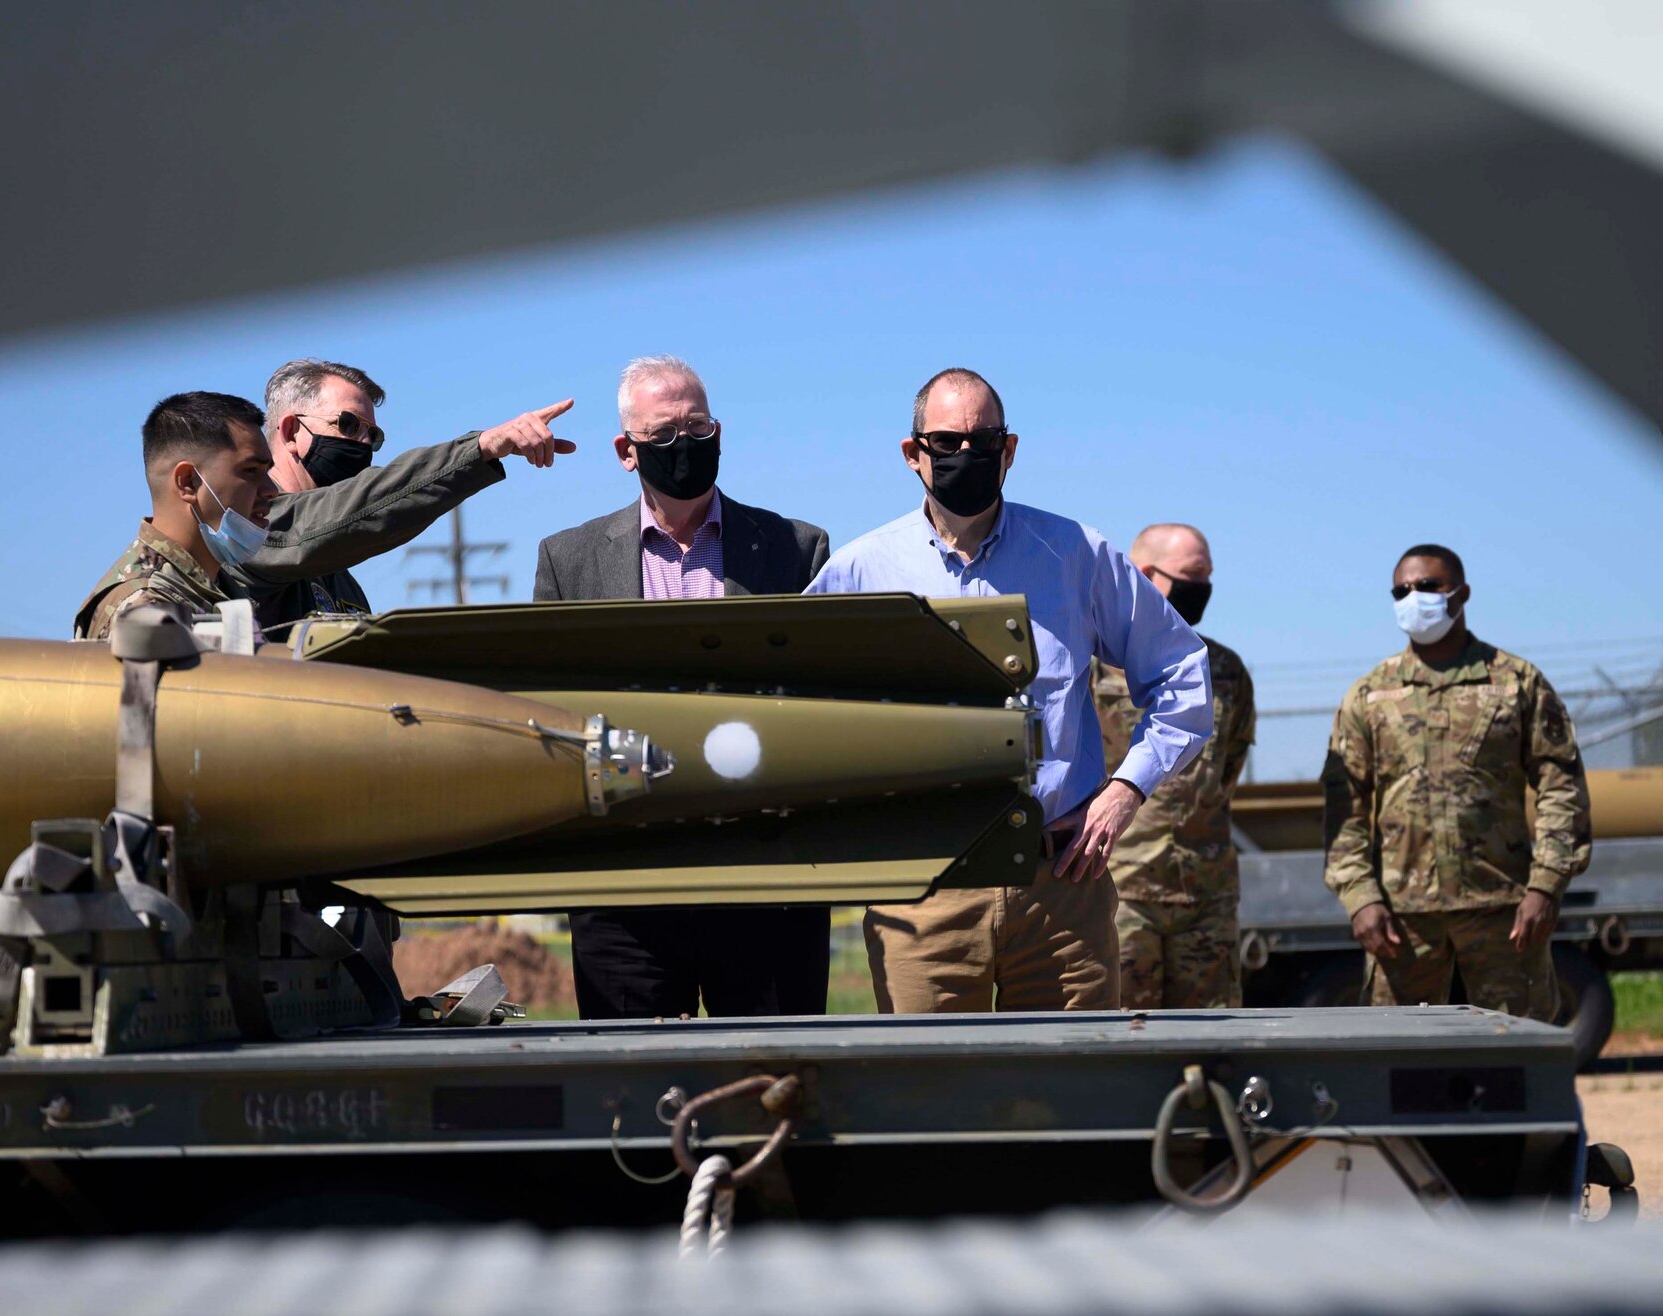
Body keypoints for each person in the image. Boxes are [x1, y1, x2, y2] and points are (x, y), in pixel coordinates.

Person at [806, 367, 1212, 1013]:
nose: (966, 455)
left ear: (1010, 449)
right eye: (946, 442)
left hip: (1060, 887)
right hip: (922, 893)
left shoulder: (1075, 555)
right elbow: (795, 707)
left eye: (983, 440)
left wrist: (1124, 791)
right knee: (930, 1098)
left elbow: (1182, 670)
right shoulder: (862, 571)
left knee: (1072, 1096)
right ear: (912, 454)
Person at [533, 355, 833, 1019]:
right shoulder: (569, 560)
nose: (685, 446)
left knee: (773, 1092)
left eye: (698, 427)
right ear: (625, 449)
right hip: (626, 890)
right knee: (634, 1099)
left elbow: (821, 699)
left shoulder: (795, 548)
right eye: (665, 433)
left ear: (720, 433)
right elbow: (555, 711)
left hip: (765, 882)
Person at [1322, 543, 1590, 1020]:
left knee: (1515, 1059)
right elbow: (1345, 808)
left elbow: (1561, 787)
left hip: (1503, 914)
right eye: (1401, 590)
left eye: (1427, 587)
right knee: (1399, 1067)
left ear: (1461, 594)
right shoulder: (1369, 695)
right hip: (1402, 922)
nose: (1413, 597)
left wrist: (1545, 886)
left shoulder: (1515, 682)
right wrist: (1360, 898)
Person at [238, 358, 577, 634]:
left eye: (374, 435)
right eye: (348, 425)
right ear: (291, 432)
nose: (365, 444)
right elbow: (359, 505)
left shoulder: (342, 583)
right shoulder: (250, 527)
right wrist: (481, 449)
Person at [1094, 523, 1256, 1008]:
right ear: (1146, 575)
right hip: (1119, 894)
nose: (1201, 587)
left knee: (1209, 1046)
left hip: (1205, 898)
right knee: (1119, 1042)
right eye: (1191, 574)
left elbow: (1226, 769)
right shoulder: (1093, 667)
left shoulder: (1223, 669)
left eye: (1207, 575)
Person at [75, 391, 278, 638]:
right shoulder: (145, 608)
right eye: (251, 470)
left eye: (267, 471)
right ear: (188, 482)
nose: (271, 491)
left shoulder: (215, 589)